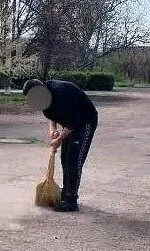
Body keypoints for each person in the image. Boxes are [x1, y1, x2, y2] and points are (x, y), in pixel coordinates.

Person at [23, 78, 98, 212]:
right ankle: (66, 193)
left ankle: (71, 200)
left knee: (74, 160)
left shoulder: (62, 94)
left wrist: (59, 140)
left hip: (85, 121)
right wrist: (53, 131)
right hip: (70, 122)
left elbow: (74, 122)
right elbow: (52, 116)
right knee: (65, 159)